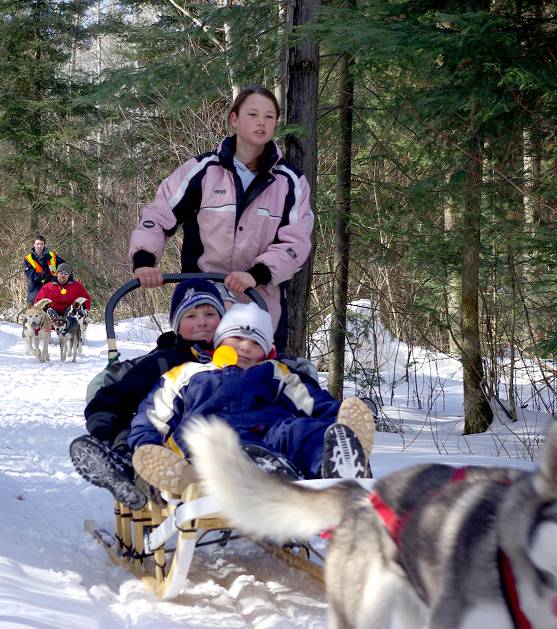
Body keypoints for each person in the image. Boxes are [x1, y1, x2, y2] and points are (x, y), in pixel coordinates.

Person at [128, 85, 315, 351]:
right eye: (253, 114)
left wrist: (256, 275)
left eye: (269, 116)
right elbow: (158, 215)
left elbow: (296, 243)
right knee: (195, 373)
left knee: (257, 376)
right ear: (235, 119)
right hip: (203, 305)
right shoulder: (203, 171)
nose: (261, 122)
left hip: (259, 308)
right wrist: (144, 260)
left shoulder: (289, 182)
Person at [128, 303, 373, 487]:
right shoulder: (187, 373)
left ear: (266, 352)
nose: (245, 346)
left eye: (256, 343)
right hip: (209, 437)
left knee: (300, 431)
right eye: (236, 338)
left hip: (268, 436)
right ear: (219, 342)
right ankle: (184, 478)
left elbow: (311, 402)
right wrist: (147, 445)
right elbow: (153, 416)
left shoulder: (275, 372)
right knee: (190, 443)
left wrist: (338, 422)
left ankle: (338, 462)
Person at [69, 279, 226, 510]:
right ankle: (133, 472)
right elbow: (112, 399)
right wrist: (107, 436)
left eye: (210, 314)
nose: (202, 322)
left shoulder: (244, 357)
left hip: (231, 445)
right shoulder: (161, 363)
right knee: (143, 430)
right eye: (191, 316)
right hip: (171, 449)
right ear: (177, 325)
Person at [23, 235, 64, 305]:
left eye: (41, 244)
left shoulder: (52, 255)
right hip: (36, 287)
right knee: (36, 303)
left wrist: (67, 273)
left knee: (61, 298)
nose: (39, 246)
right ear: (34, 244)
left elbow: (63, 265)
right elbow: (31, 277)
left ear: (44, 245)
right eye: (37, 244)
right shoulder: (28, 259)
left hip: (52, 283)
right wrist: (44, 275)